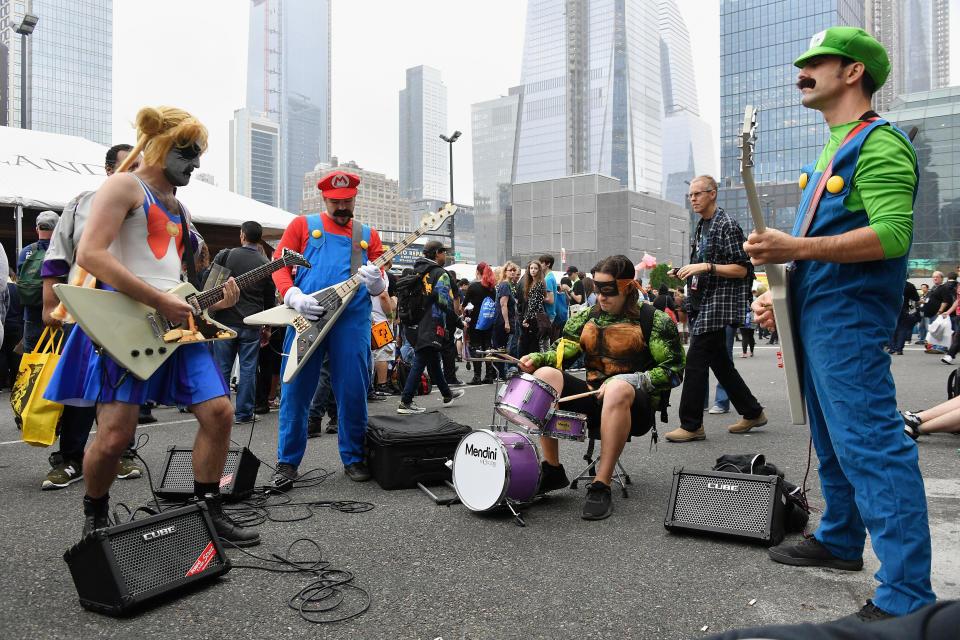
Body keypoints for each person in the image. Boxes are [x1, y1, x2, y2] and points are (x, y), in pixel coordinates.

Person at [746, 27, 935, 621]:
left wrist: (794, 250)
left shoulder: (881, 144)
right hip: (816, 312)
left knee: (872, 445)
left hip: (849, 317)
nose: (802, 72)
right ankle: (840, 539)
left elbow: (893, 236)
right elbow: (805, 247)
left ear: (853, 72)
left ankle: (906, 596)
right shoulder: (833, 146)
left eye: (816, 64)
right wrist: (776, 292)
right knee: (830, 439)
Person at [42, 106, 258, 546]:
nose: (196, 163)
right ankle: (95, 515)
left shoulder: (179, 206)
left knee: (219, 413)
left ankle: (208, 509)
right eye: (188, 153)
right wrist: (161, 300)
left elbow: (171, 275)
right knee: (115, 435)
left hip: (176, 322)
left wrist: (215, 296)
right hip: (123, 324)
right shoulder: (123, 185)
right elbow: (91, 255)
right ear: (160, 147)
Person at [518, 254, 684, 520]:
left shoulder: (654, 321)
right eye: (597, 289)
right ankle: (552, 469)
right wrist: (537, 359)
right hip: (594, 398)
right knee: (545, 374)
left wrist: (633, 379)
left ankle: (601, 483)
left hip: (634, 406)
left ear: (628, 287)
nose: (601, 297)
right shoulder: (586, 317)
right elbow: (563, 353)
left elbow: (674, 372)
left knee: (617, 387)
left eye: (609, 290)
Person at [38, 144, 146, 490]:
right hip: (85, 309)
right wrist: (47, 305)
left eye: (141, 166)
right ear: (108, 168)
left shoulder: (152, 204)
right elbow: (57, 258)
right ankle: (71, 459)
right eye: (129, 165)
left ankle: (122, 453)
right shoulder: (82, 203)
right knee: (82, 387)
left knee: (124, 383)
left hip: (130, 313)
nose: (136, 173)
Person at [270, 170, 386, 485]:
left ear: (354, 198)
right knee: (295, 390)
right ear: (325, 198)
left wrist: (378, 280)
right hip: (307, 315)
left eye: (347, 200)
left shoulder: (368, 234)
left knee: (353, 390)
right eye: (335, 201)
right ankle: (287, 462)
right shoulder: (301, 226)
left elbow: (380, 282)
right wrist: (293, 295)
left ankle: (353, 457)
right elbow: (279, 265)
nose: (341, 207)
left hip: (352, 320)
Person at [666, 175, 766, 442]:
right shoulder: (702, 226)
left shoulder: (727, 225)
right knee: (719, 362)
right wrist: (685, 271)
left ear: (713, 194)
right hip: (704, 299)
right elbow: (703, 265)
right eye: (690, 195)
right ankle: (752, 411)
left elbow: (743, 268)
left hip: (721, 302)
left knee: (696, 359)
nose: (693, 199)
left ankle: (691, 425)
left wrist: (706, 266)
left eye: (698, 194)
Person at [211, 221, 275, 423]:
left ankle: (218, 413)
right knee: (248, 369)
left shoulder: (227, 255)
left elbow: (211, 285)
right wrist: (266, 327)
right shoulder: (265, 263)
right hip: (251, 322)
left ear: (242, 235)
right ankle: (244, 413)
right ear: (259, 238)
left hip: (225, 320)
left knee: (222, 367)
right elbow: (268, 298)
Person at [397, 240, 465, 414]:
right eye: (443, 252)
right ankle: (405, 402)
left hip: (412, 324)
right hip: (431, 324)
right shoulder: (440, 274)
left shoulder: (415, 270)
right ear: (436, 253)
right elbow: (444, 303)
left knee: (433, 359)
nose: (445, 255)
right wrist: (458, 322)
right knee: (420, 360)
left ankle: (446, 394)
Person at [17, 211, 58, 352]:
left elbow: (19, 280)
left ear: (36, 229)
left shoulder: (26, 252)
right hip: (56, 316)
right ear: (58, 228)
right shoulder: (60, 251)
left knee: (31, 362)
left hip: (31, 316)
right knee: (55, 360)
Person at [464, 262, 498, 384]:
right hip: (488, 320)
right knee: (487, 346)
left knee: (476, 347)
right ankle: (489, 376)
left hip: (475, 321)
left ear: (478, 272)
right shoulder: (492, 288)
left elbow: (464, 304)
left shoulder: (473, 287)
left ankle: (477, 377)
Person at [491, 262, 519, 377]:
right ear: (505, 272)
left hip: (504, 321)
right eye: (510, 270)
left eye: (513, 270)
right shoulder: (505, 285)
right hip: (503, 322)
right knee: (503, 349)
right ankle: (502, 373)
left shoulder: (508, 285)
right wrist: (507, 323)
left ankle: (501, 373)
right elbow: (503, 305)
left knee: (502, 349)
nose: (512, 272)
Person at [518, 260, 546, 356]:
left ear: (539, 270)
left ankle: (530, 367)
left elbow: (533, 305)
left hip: (534, 319)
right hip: (530, 317)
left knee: (531, 344)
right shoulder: (530, 283)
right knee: (527, 344)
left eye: (535, 268)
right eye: (531, 268)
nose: (533, 270)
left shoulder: (539, 283)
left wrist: (526, 319)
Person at [887, 279, 918, 355]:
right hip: (904, 308)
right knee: (903, 329)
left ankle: (892, 347)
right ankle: (899, 349)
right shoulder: (910, 286)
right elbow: (916, 298)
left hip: (893, 308)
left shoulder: (892, 284)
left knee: (893, 328)